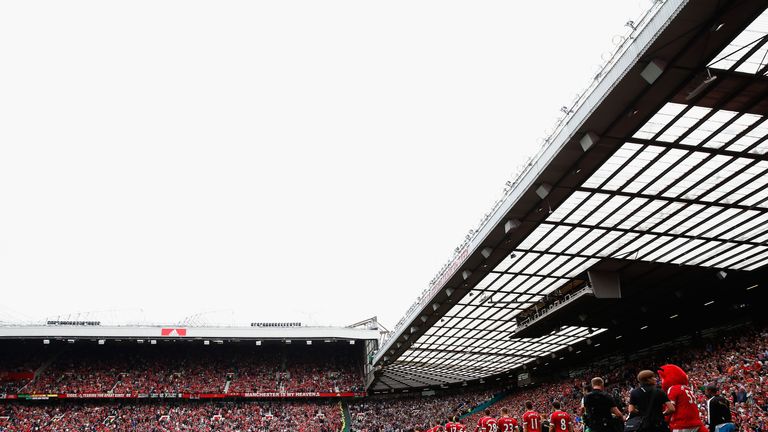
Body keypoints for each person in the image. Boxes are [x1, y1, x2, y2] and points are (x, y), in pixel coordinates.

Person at [658, 365, 708, 432]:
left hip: (682, 424)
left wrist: (662, 417)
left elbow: (671, 409)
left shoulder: (673, 388)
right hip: (697, 424)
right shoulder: (688, 389)